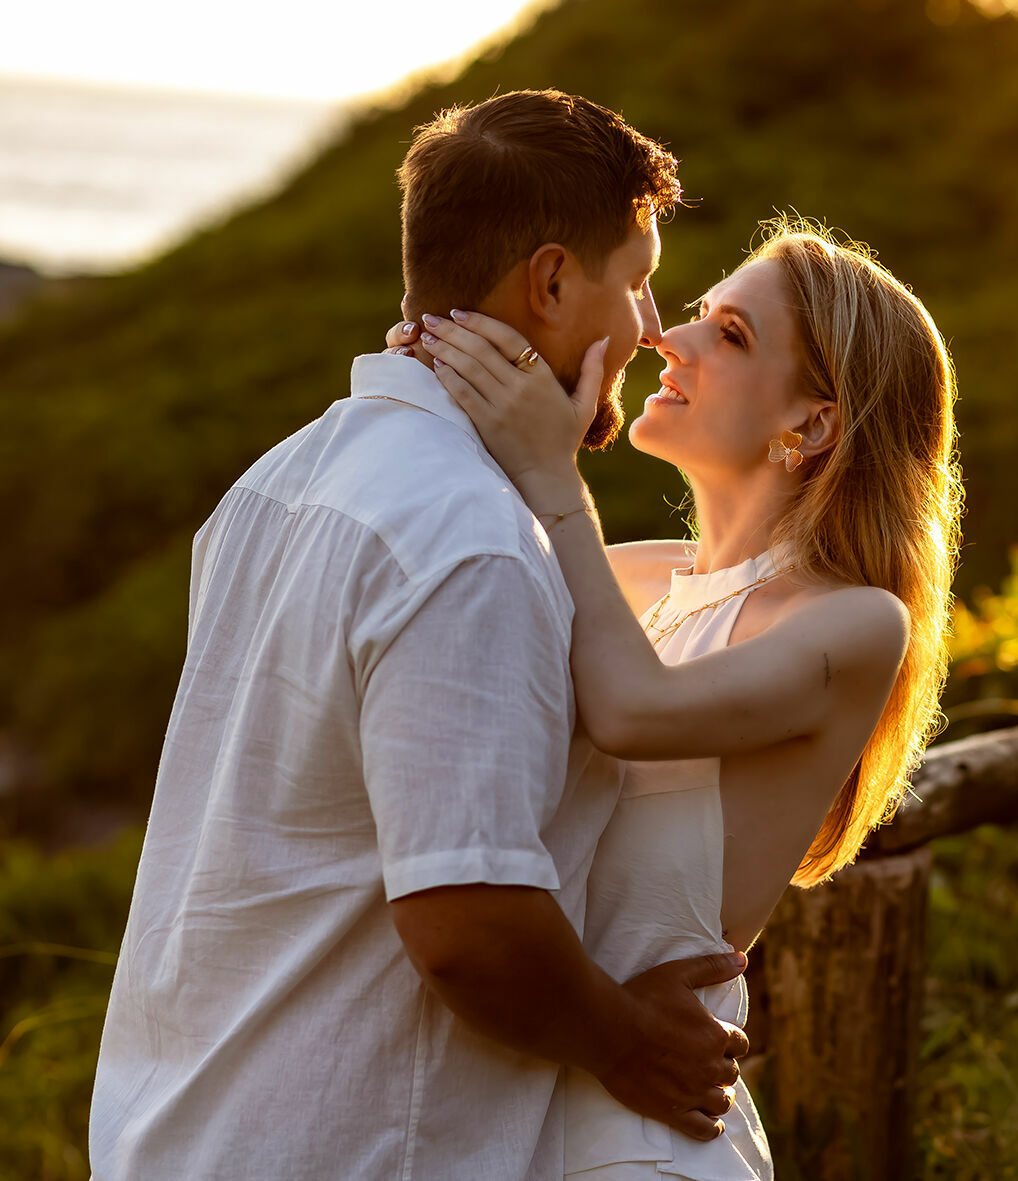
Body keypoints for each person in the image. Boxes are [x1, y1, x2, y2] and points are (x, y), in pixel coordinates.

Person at [89, 90, 751, 1181]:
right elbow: (470, 924)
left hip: (176, 1131)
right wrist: (632, 1042)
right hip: (338, 1149)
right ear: (548, 283)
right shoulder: (470, 541)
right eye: (635, 278)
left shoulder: (280, 478)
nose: (647, 322)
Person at [387, 216, 962, 1177]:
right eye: (698, 313)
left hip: (644, 1135)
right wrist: (443, 370)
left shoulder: (854, 623)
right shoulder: (639, 577)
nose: (669, 338)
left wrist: (550, 474)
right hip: (522, 1098)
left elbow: (631, 711)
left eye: (730, 334)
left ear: (813, 423)